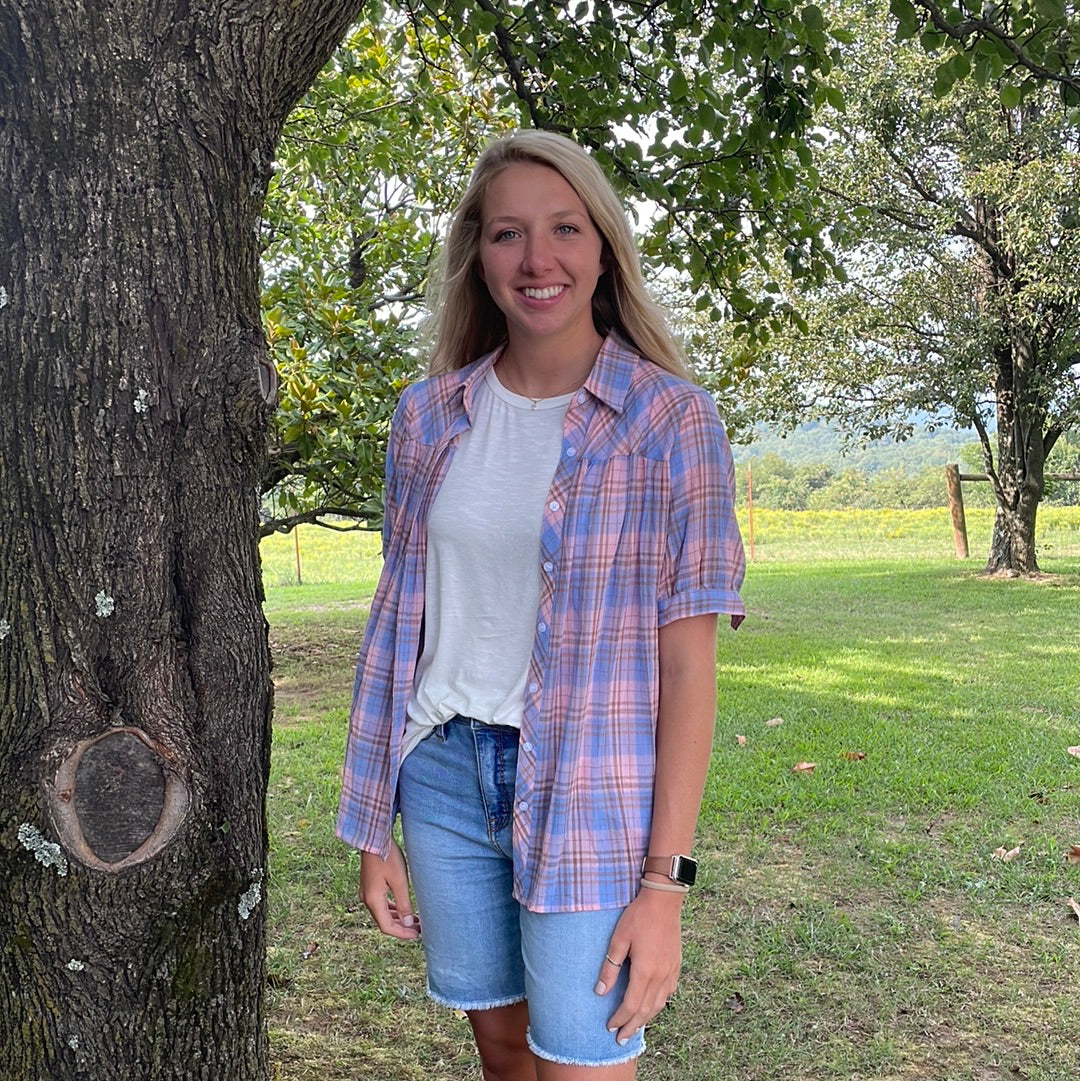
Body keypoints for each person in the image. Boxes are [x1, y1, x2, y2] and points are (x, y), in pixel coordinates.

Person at [337, 129, 745, 1081]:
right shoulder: (426, 418)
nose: (537, 258)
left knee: (579, 1060)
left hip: (588, 793)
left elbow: (688, 670)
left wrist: (665, 889)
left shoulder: (671, 422)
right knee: (504, 1048)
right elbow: (399, 625)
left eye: (565, 228)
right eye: (507, 233)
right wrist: (373, 824)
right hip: (439, 778)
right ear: (477, 257)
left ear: (603, 248)